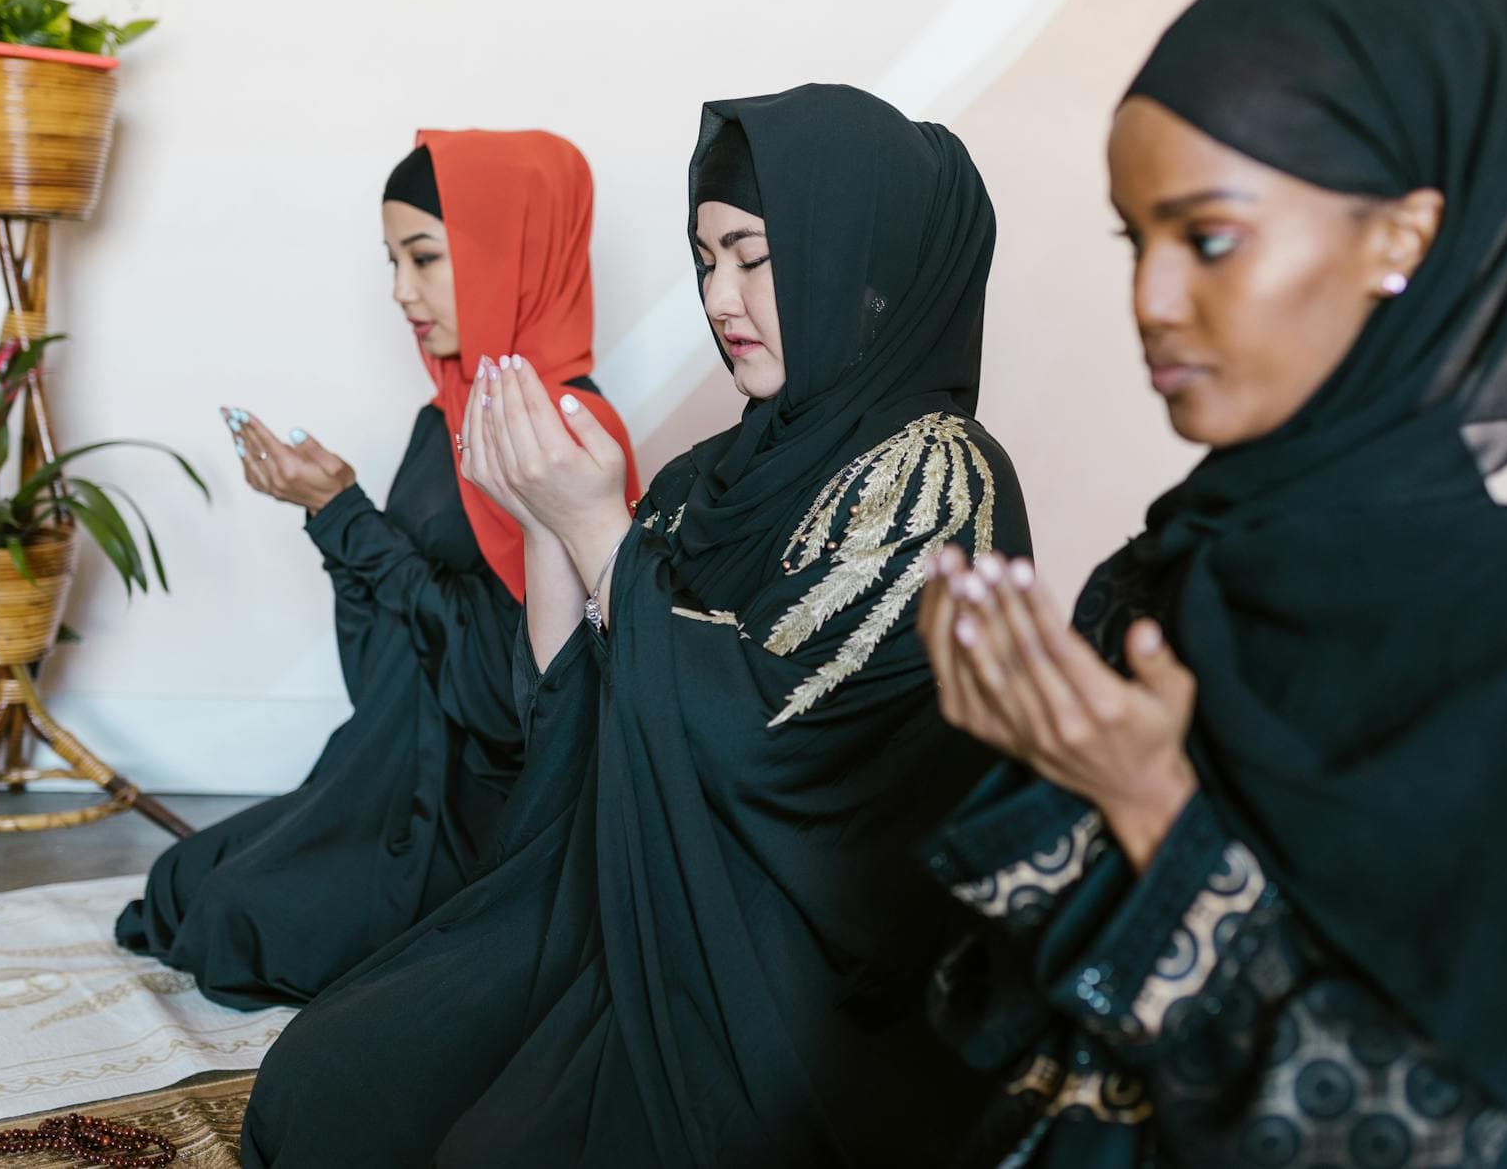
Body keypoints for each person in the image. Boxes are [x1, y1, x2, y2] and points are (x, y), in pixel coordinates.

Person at [916, 0, 1507, 1167]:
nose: (1148, 297)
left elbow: (1455, 1135)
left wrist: (1151, 805)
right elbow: (1021, 1026)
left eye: (1205, 237)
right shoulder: (1168, 572)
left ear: (1399, 236)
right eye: (1129, 239)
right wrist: (1037, 751)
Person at [240, 84, 1029, 1167]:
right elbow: (571, 707)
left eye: (753, 255)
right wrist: (552, 532)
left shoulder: (935, 469)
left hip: (787, 944)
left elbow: (784, 735)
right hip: (624, 886)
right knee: (321, 1089)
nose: (723, 295)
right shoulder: (712, 471)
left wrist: (597, 531)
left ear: (862, 259)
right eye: (706, 259)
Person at [116, 131, 639, 1010]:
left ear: (510, 252)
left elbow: (503, 698)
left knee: (239, 926)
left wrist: (348, 516)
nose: (402, 291)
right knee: (179, 887)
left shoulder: (568, 437)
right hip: (397, 762)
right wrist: (331, 517)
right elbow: (386, 672)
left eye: (425, 257)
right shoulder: (450, 414)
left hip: (484, 810)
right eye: (393, 260)